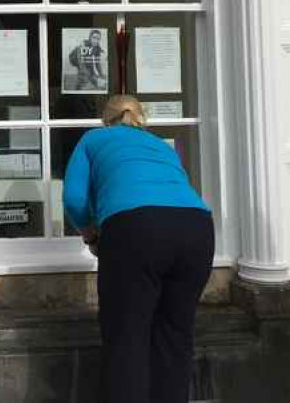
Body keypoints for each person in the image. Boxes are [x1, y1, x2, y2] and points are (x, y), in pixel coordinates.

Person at [63, 95, 213, 403]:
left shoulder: (94, 139)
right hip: (197, 227)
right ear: (141, 119)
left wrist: (91, 237)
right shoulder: (160, 145)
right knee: (175, 334)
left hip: (136, 226)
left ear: (105, 119)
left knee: (127, 336)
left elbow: (74, 199)